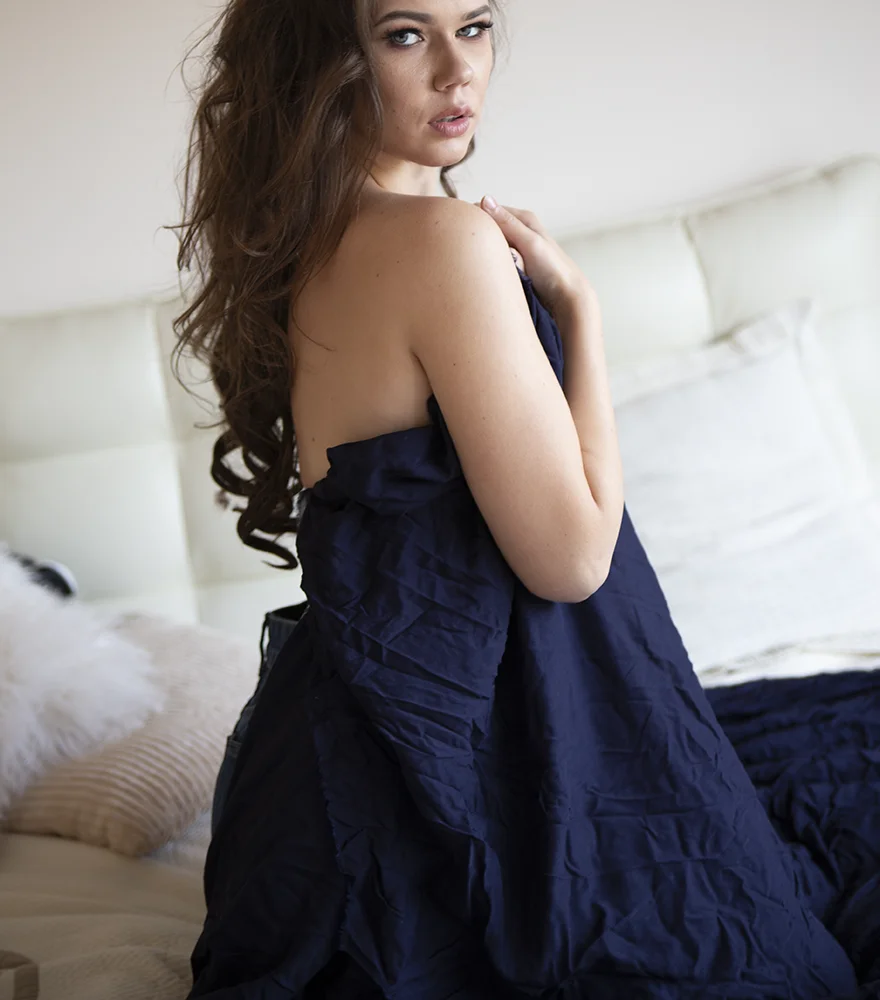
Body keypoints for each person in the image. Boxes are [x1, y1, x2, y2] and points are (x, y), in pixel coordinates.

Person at [169, 1, 860, 996]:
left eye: (477, 24)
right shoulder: (438, 240)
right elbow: (572, 559)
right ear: (323, 58)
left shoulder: (309, 241)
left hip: (354, 745)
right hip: (489, 741)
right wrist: (581, 314)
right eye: (405, 34)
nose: (459, 70)